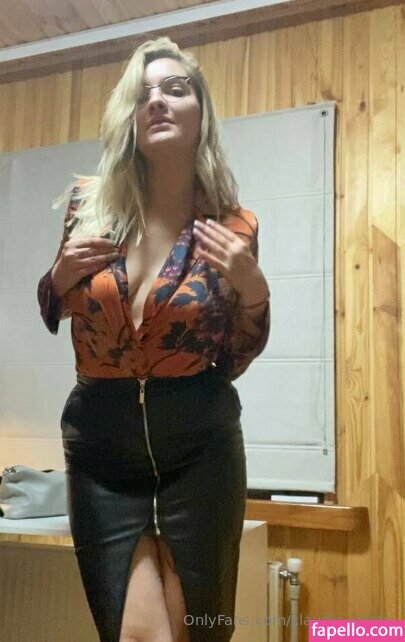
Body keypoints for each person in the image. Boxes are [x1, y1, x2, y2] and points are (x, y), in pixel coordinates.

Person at [37, 36, 270, 642]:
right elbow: (60, 307)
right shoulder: (91, 207)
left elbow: (235, 356)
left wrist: (253, 289)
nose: (158, 102)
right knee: (135, 634)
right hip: (101, 449)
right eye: (142, 95)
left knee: (199, 631)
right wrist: (57, 277)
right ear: (129, 118)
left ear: (200, 112)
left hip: (200, 448)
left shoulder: (233, 226)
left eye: (175, 88)